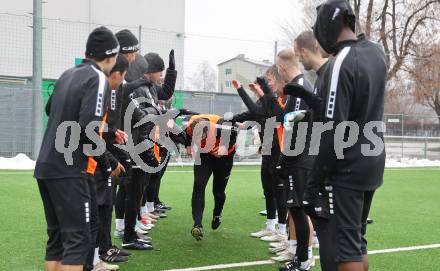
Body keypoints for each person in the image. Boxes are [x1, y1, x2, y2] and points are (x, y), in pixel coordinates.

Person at [295, 1, 387, 270]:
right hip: (372, 161)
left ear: (328, 25)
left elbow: (334, 129)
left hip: (348, 168)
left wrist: (314, 182)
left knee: (345, 250)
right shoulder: (375, 52)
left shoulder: (341, 62)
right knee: (358, 242)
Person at [34, 26, 119, 271]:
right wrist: (107, 160)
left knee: (57, 242)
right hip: (70, 169)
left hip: (46, 166)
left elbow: (50, 109)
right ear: (111, 57)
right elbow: (88, 128)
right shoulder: (98, 78)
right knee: (77, 242)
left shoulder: (67, 74)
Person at [257, 49, 315, 270]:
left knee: (299, 210)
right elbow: (286, 119)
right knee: (295, 208)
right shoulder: (299, 87)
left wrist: (285, 159)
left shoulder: (300, 87)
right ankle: (300, 256)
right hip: (299, 156)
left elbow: (293, 125)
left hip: (301, 158)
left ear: (281, 67)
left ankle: (303, 260)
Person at [230, 66, 288, 242]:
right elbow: (252, 113)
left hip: (280, 150)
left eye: (269, 80)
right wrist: (230, 119)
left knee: (280, 190)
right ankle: (270, 226)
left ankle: (282, 230)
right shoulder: (265, 101)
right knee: (268, 188)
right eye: (266, 80)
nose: (265, 84)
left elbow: (256, 113)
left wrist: (241, 90)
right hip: (268, 149)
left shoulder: (279, 100)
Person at [184, 114, 239, 241]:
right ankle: (197, 225)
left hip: (224, 158)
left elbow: (236, 130)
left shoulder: (221, 127)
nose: (198, 139)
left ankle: (217, 214)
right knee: (198, 185)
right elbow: (187, 134)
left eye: (201, 137)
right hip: (204, 156)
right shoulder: (190, 127)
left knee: (218, 191)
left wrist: (224, 147)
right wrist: (188, 145)